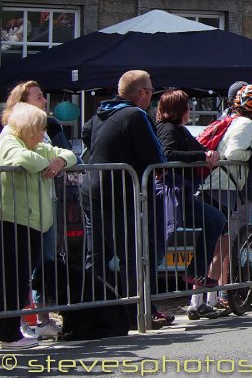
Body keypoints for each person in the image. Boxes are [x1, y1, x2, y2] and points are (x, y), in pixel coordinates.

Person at [80, 70, 166, 327]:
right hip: (120, 193)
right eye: (150, 90)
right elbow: (156, 156)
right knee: (133, 255)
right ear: (141, 93)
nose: (151, 95)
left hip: (92, 189)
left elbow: (87, 134)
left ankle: (90, 312)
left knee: (94, 256)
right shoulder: (136, 115)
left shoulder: (100, 113)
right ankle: (136, 312)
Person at [0, 103, 77, 349]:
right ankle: (9, 334)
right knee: (12, 280)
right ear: (29, 127)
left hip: (32, 223)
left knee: (20, 279)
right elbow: (23, 158)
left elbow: (70, 154)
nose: (43, 132)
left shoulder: (36, 145)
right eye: (40, 128)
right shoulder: (10, 141)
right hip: (13, 221)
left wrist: (59, 161)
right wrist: (48, 164)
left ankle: (11, 332)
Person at [153, 90, 228, 319]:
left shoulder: (179, 129)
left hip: (182, 192)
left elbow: (196, 147)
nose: (190, 110)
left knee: (216, 220)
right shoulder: (167, 128)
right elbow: (168, 153)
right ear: (179, 109)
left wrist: (207, 153)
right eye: (187, 106)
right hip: (170, 193)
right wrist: (202, 155)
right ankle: (146, 298)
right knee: (161, 241)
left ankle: (195, 273)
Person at [198, 84, 252, 315]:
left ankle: (203, 300)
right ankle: (205, 301)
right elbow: (235, 153)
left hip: (219, 185)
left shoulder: (236, 121)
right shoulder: (247, 123)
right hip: (225, 187)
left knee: (216, 246)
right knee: (219, 246)